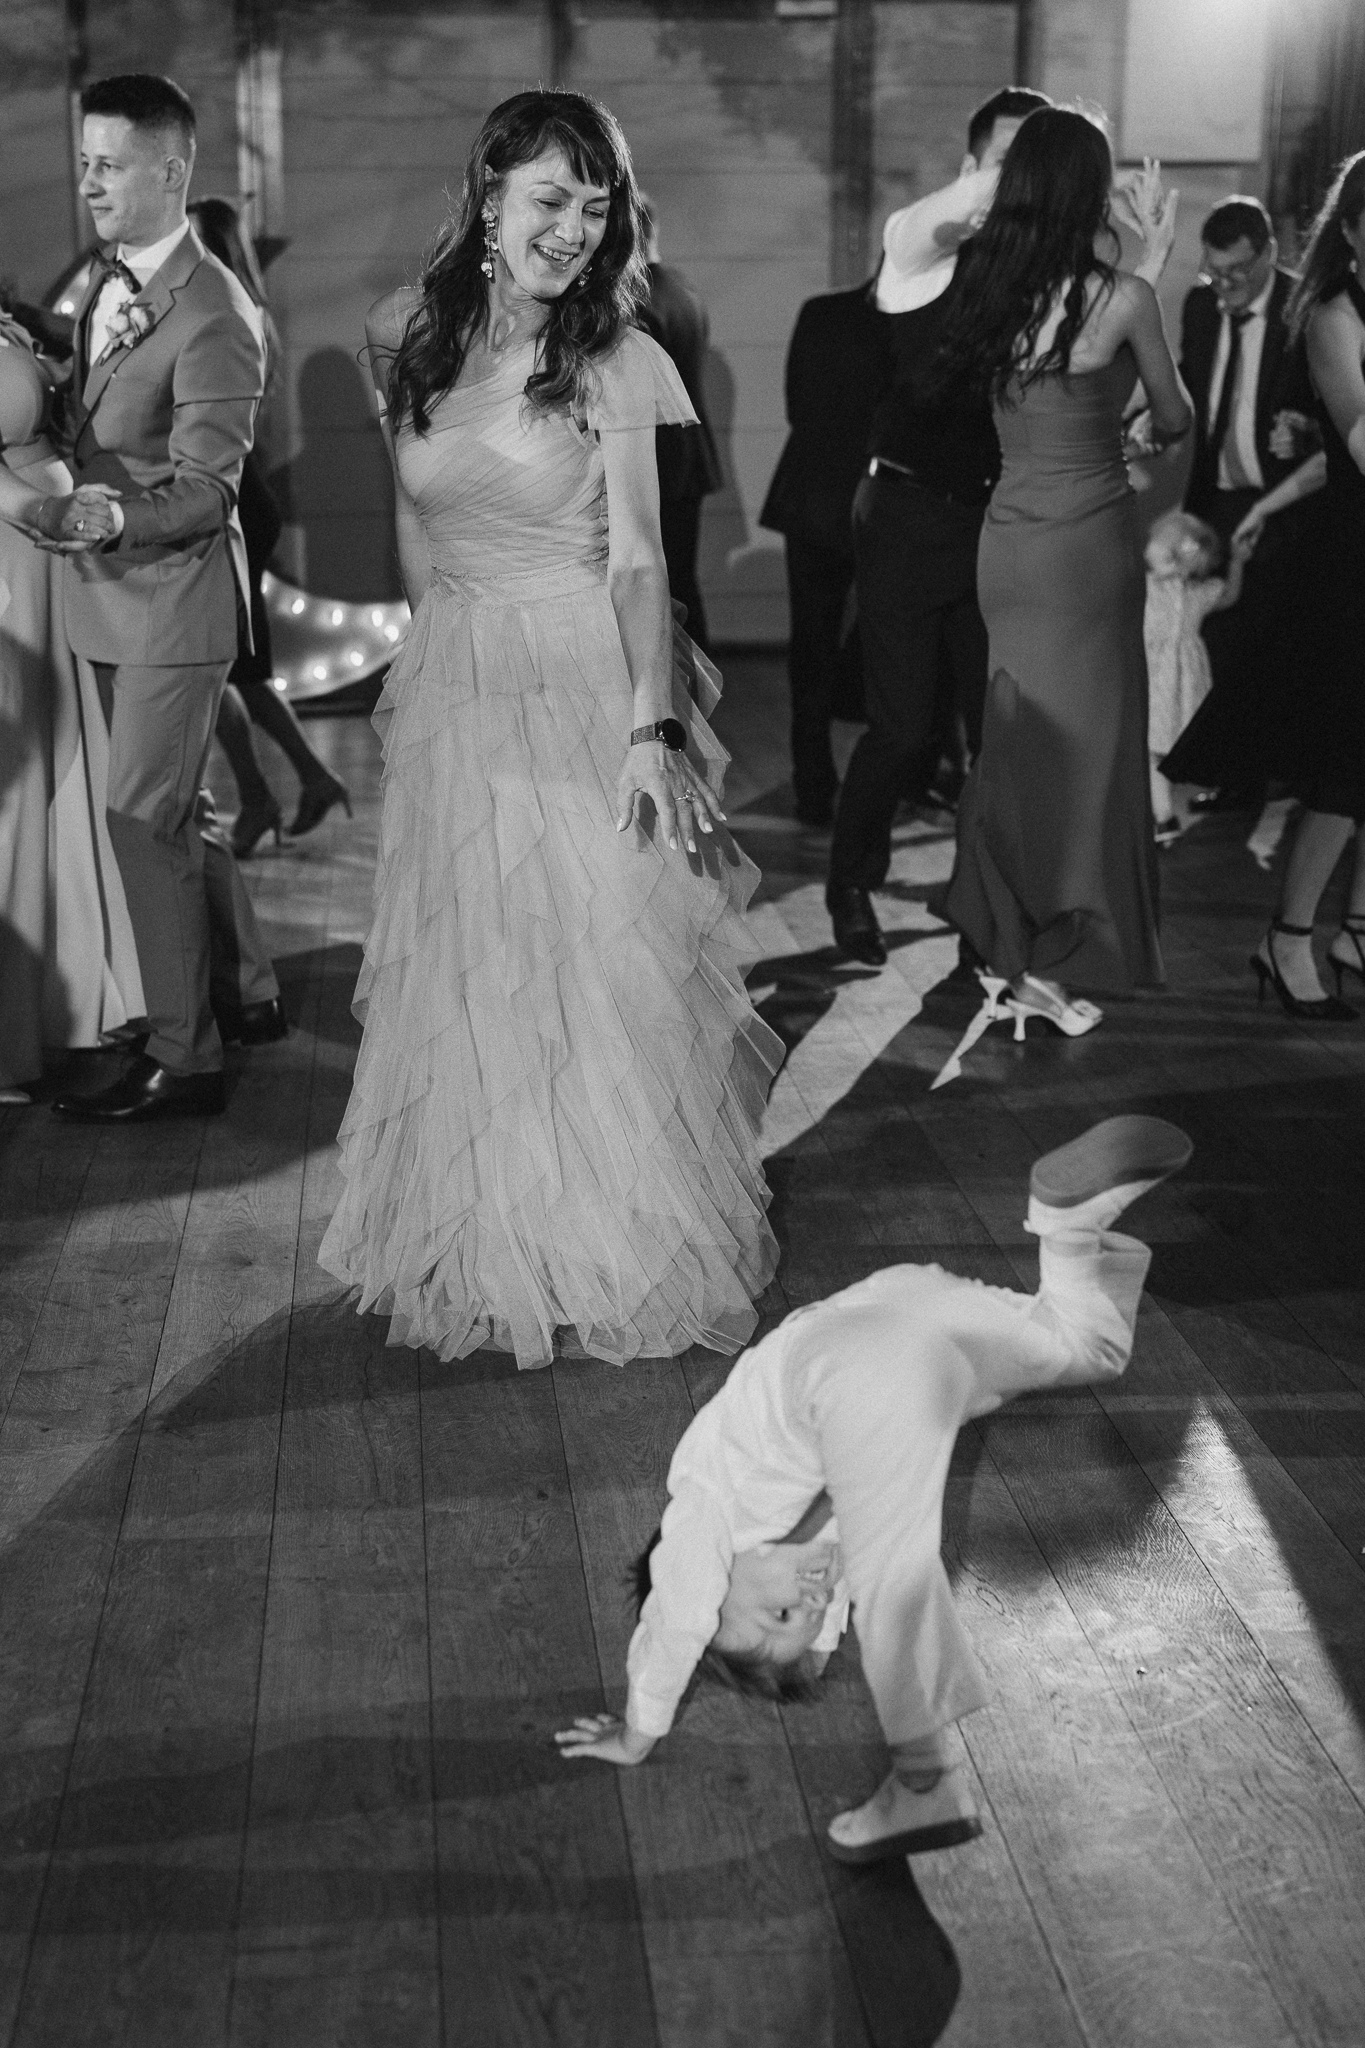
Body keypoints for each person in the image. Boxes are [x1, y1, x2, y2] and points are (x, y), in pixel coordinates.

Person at [318, 91, 781, 1370]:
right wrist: (426, 668)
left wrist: (651, 732)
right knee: (477, 960)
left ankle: (604, 1234)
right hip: (462, 673)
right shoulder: (400, 333)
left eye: (594, 205)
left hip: (584, 673)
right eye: (549, 198)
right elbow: (415, 513)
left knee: (592, 964)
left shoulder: (616, 358)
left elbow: (639, 562)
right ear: (488, 196)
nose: (573, 229)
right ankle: (491, 1228)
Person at [556, 1115, 1192, 1860]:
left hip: (841, 1367)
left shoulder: (705, 1519)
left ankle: (923, 1786)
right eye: (809, 1615)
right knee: (1087, 1348)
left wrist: (637, 1733)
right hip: (900, 1306)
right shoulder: (803, 1552)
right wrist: (811, 1636)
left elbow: (674, 1624)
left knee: (894, 1580)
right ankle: (1068, 1223)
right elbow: (826, 1609)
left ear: (707, 1582)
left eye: (777, 1611)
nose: (812, 1598)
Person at [44, 72, 286, 1126]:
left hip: (171, 602)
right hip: (111, 599)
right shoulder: (105, 280)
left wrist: (102, 519)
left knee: (141, 819)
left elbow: (206, 491)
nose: (88, 183)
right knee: (180, 813)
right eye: (84, 162)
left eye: (109, 165)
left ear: (172, 170)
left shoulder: (216, 311)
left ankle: (186, 1058)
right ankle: (243, 991)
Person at [937, 110, 1190, 1034]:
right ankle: (1045, 965)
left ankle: (1009, 944)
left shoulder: (985, 289)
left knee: (1017, 744)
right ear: (1087, 190)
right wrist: (1152, 263)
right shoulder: (1123, 298)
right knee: (1087, 757)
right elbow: (1171, 417)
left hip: (1008, 543)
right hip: (1086, 551)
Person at [822, 87, 1052, 967]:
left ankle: (980, 908)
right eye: (1005, 159)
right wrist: (999, 182)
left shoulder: (1035, 271)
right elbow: (908, 229)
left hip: (996, 524)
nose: (1019, 178)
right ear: (970, 167)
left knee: (995, 737)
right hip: (908, 516)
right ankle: (850, 885)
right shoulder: (925, 251)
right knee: (903, 729)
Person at [0, 317, 143, 1102]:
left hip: (44, 567)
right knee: (21, 788)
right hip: (15, 568)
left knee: (64, 771)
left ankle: (71, 994)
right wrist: (41, 512)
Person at [186, 196, 352, 857]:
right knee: (236, 669)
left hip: (234, 501)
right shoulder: (241, 312)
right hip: (239, 498)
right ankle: (303, 782)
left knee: (226, 668)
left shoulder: (228, 315)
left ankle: (270, 793)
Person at [1248, 151, 1365, 1021]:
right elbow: (1357, 445)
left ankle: (1355, 930)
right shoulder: (1333, 314)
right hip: (1351, 562)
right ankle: (1286, 938)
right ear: (1351, 230)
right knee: (1341, 765)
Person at [1160, 197, 1326, 805]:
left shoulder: (1307, 308)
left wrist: (1307, 430)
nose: (1224, 286)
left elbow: (1339, 405)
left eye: (1236, 272)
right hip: (1218, 496)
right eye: (1214, 272)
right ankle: (1238, 777)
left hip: (1288, 500)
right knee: (1219, 632)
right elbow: (1191, 381)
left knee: (1277, 635)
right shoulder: (1199, 305)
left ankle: (1285, 773)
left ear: (1269, 255)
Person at [759, 275, 889, 828]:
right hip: (879, 499)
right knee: (891, 648)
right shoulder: (921, 322)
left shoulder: (821, 312)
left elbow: (797, 404)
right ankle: (883, 782)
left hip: (813, 491)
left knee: (812, 645)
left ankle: (813, 783)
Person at [636, 194, 723, 655]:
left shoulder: (635, 300)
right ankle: (701, 676)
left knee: (662, 583)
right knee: (683, 577)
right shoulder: (685, 290)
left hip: (657, 459)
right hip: (691, 455)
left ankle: (684, 678)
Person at [1143, 511, 1251, 841]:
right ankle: (1162, 814)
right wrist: (1237, 564)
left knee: (1156, 748)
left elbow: (1228, 596)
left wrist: (1237, 563)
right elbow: (1229, 596)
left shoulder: (1169, 590)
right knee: (1156, 747)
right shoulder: (1169, 588)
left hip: (1165, 677)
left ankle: (1163, 816)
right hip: (1171, 676)